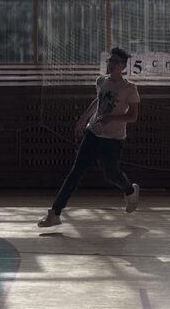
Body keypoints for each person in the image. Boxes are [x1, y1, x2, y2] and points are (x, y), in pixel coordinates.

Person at [38, 47, 141, 227]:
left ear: (123, 66)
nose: (111, 64)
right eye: (110, 60)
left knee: (111, 174)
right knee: (76, 172)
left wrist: (111, 118)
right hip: (92, 133)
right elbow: (98, 102)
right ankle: (55, 213)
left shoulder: (129, 88)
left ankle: (129, 190)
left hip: (113, 139)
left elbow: (133, 116)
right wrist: (83, 120)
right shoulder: (101, 81)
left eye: (115, 61)